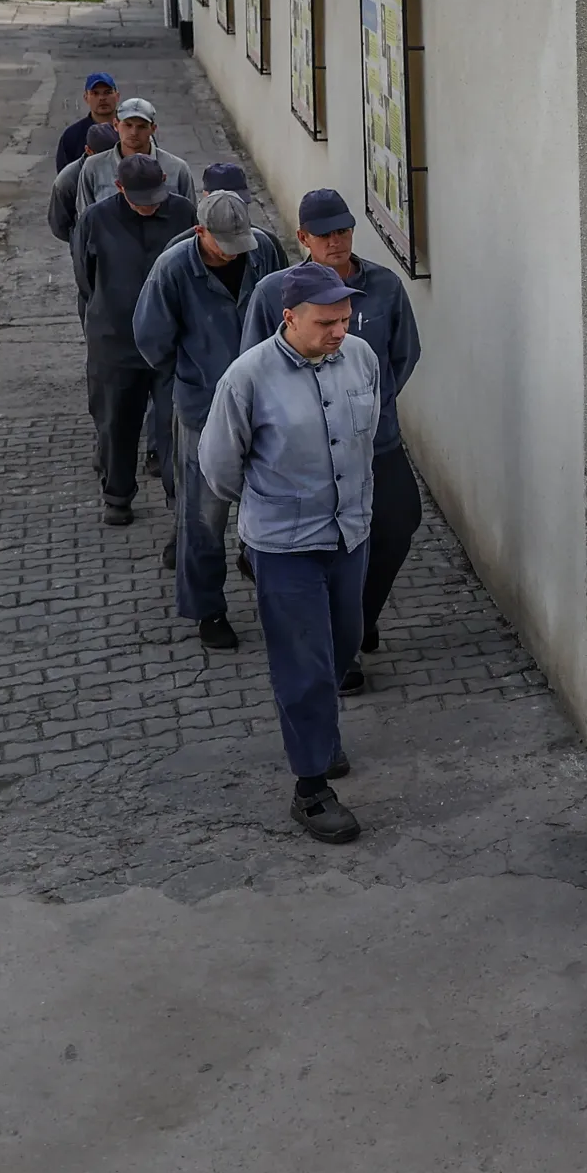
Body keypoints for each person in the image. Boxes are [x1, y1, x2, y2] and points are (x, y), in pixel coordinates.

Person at [198, 262, 383, 843]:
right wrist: (267, 515)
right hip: (284, 547)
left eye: (345, 319)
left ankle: (320, 737)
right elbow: (219, 468)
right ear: (289, 319)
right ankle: (311, 788)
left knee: (344, 645)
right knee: (303, 666)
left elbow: (366, 435)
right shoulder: (245, 378)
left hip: (349, 534)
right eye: (326, 322)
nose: (339, 331)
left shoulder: (361, 359)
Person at [241, 190, 421, 694]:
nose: (337, 241)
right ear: (303, 239)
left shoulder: (383, 287)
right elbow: (252, 368)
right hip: (303, 454)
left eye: (343, 231)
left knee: (399, 522)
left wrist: (366, 408)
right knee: (325, 546)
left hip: (374, 442)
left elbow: (403, 356)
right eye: (325, 234)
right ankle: (339, 651)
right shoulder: (274, 293)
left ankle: (360, 616)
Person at [133, 189, 287, 649]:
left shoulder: (264, 249)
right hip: (205, 409)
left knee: (273, 499)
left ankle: (265, 573)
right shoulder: (174, 268)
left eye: (240, 240)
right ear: (200, 232)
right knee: (203, 514)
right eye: (224, 242)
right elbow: (151, 340)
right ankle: (207, 608)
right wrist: (193, 376)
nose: (235, 250)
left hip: (266, 403)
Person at [69, 154, 196, 526]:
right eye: (138, 198)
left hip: (171, 340)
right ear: (119, 188)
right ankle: (118, 494)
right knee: (116, 421)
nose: (147, 206)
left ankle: (180, 500)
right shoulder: (95, 219)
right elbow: (85, 278)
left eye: (154, 196)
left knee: (174, 424)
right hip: (115, 341)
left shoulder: (184, 213)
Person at [75, 98, 197, 212]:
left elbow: (189, 215)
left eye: (142, 126)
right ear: (116, 125)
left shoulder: (177, 168)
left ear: (153, 129)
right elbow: (85, 216)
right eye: (128, 125)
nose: (134, 132)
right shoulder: (94, 167)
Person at [49, 122, 119, 242]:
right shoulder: (68, 179)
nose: (108, 159)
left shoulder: (122, 166)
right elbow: (59, 225)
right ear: (88, 150)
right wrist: (78, 239)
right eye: (102, 155)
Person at [53, 71, 120, 171]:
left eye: (108, 92)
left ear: (117, 96)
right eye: (95, 93)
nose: (102, 98)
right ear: (86, 98)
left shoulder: (132, 129)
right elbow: (64, 179)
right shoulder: (72, 136)